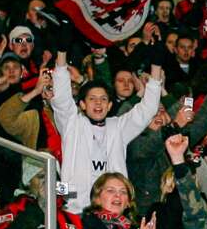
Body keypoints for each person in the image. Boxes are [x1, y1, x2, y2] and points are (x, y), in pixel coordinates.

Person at [51, 55, 164, 213]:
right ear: (82, 104)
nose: (98, 103)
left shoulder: (118, 127)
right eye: (92, 99)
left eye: (103, 99)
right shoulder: (72, 124)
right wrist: (61, 58)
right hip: (76, 210)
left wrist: (156, 67)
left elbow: (148, 109)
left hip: (111, 212)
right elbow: (61, 99)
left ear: (110, 105)